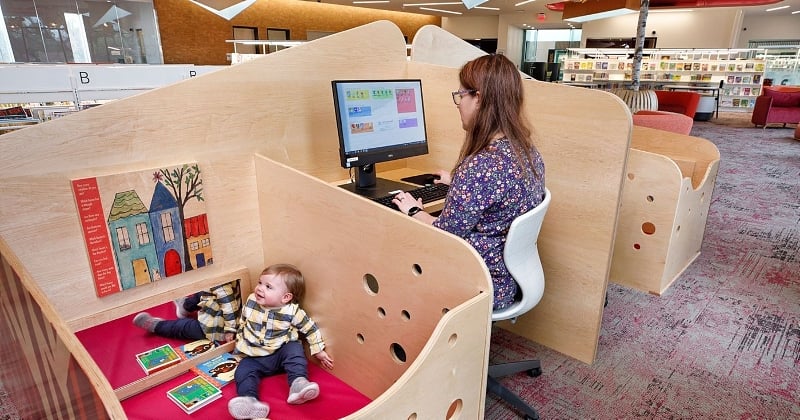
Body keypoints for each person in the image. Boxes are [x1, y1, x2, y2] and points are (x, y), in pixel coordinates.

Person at [392, 53, 546, 311]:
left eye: (461, 94)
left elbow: (445, 234)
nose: (458, 102)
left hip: (483, 283)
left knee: (397, 251)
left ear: (480, 98)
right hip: (512, 277)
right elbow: (502, 194)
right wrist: (458, 184)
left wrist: (413, 209)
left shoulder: (479, 167)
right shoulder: (527, 152)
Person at [227, 263, 334, 420]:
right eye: (260, 283)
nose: (260, 288)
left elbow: (310, 329)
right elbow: (244, 321)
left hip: (279, 354)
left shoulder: (292, 312)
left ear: (286, 297)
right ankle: (250, 401)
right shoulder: (251, 300)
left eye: (268, 287)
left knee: (294, 349)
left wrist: (318, 350)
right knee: (242, 371)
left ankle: (298, 384)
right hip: (254, 357)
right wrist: (236, 337)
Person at [132, 280, 241, 344]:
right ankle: (185, 306)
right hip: (213, 305)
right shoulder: (216, 280)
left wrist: (230, 330)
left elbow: (229, 305)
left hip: (215, 326)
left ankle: (156, 325)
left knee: (183, 327)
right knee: (202, 292)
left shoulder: (221, 282)